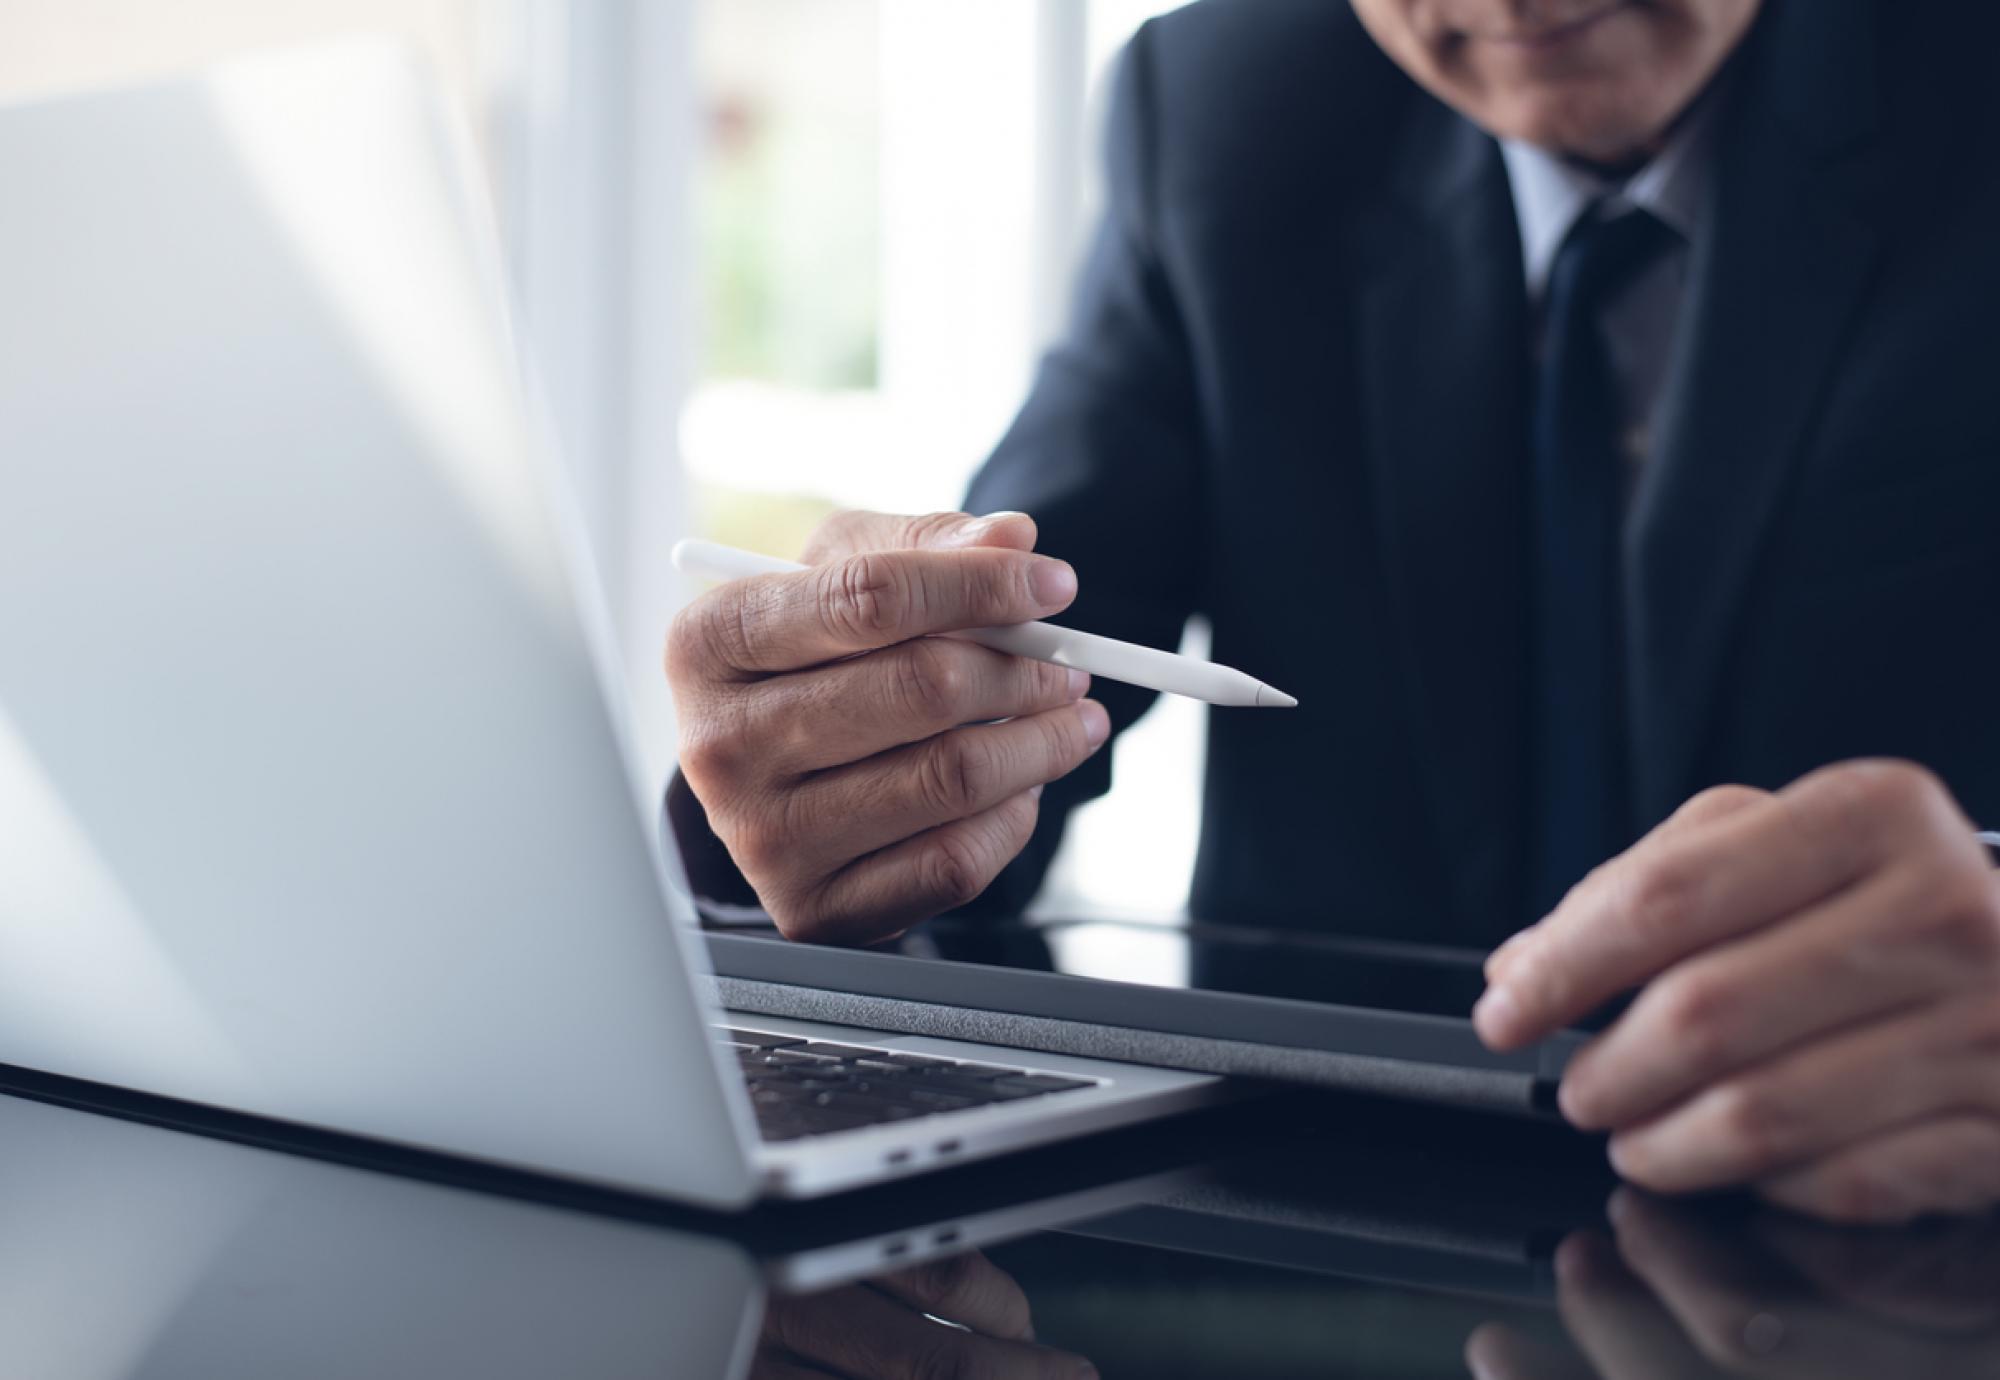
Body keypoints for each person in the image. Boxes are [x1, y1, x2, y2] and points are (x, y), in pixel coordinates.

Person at [664, 0, 2000, 1223]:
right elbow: (1010, 636)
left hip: (1869, 1235)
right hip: (1320, 1223)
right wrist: (830, 768)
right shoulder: (1225, 104)